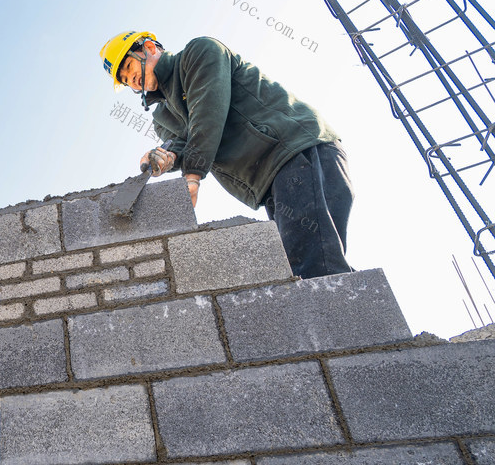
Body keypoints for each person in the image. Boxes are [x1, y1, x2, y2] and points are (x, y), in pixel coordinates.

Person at [99, 31, 354, 279]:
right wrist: (165, 158)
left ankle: (347, 315)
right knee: (305, 263)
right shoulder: (162, 117)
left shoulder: (200, 53)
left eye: (129, 66)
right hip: (268, 182)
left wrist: (193, 175)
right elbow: (182, 142)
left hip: (294, 150)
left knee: (316, 267)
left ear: (150, 48)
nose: (130, 79)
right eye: (123, 79)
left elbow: (207, 111)